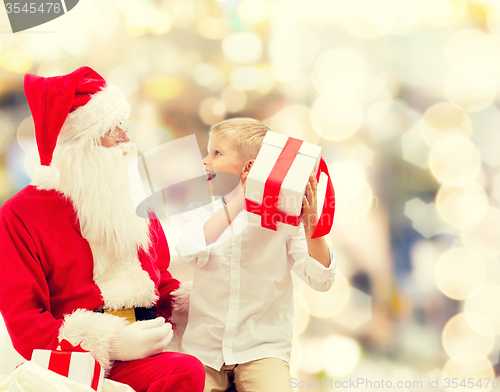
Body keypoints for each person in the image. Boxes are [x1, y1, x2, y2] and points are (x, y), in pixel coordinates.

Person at [0, 67, 205, 392]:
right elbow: (26, 326)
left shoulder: (131, 196)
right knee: (184, 372)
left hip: (151, 346)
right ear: (78, 144)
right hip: (77, 366)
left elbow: (159, 280)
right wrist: (113, 341)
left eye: (124, 127)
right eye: (113, 130)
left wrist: (200, 300)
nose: (126, 140)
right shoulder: (19, 216)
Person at [176, 118, 336, 392]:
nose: (205, 161)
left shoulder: (285, 216)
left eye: (216, 153)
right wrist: (240, 202)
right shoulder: (202, 206)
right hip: (204, 348)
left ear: (249, 167)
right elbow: (188, 250)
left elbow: (321, 280)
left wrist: (312, 227)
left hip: (263, 347)